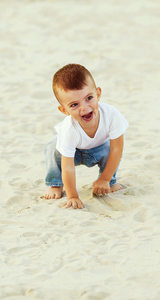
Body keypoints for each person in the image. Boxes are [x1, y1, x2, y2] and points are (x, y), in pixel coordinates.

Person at [43, 63, 128, 209]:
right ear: (64, 110)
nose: (84, 107)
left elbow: (117, 149)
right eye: (74, 105)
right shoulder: (69, 129)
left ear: (98, 94)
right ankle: (55, 183)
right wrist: (73, 196)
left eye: (89, 98)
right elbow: (68, 166)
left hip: (99, 149)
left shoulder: (112, 115)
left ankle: (109, 182)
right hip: (73, 152)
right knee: (52, 147)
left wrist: (105, 178)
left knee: (110, 150)